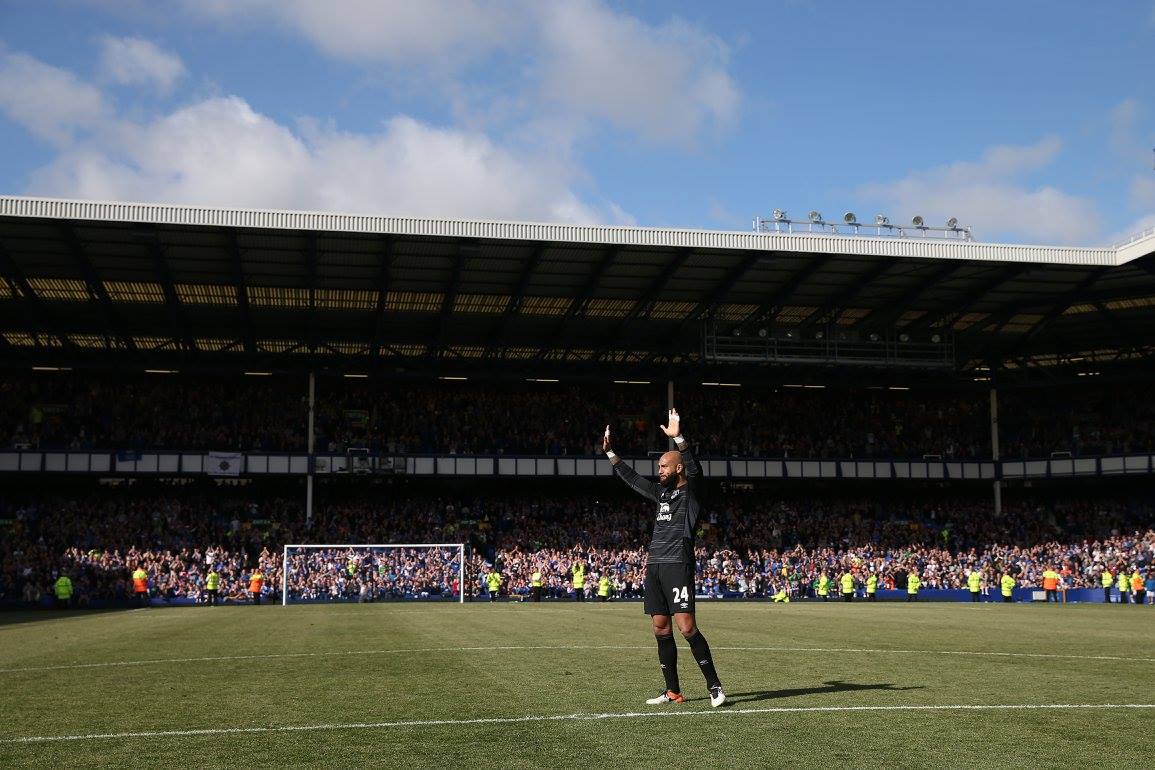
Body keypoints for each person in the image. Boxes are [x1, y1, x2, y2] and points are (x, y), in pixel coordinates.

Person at [604, 409, 725, 708]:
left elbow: (695, 469)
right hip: (655, 565)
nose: (659, 471)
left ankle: (715, 686)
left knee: (686, 627)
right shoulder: (660, 494)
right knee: (660, 627)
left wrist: (679, 438)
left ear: (678, 468)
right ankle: (673, 691)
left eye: (663, 466)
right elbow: (633, 479)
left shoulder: (692, 493)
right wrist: (610, 454)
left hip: (677, 564)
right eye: (658, 466)